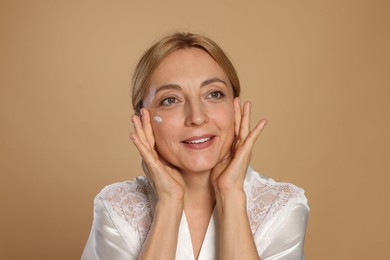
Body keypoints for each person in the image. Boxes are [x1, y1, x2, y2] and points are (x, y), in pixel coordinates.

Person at [82, 32, 309, 260]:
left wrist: (230, 196)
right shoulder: (117, 208)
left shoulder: (281, 206)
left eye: (214, 94)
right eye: (170, 100)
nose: (197, 117)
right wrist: (169, 203)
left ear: (235, 109)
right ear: (143, 119)